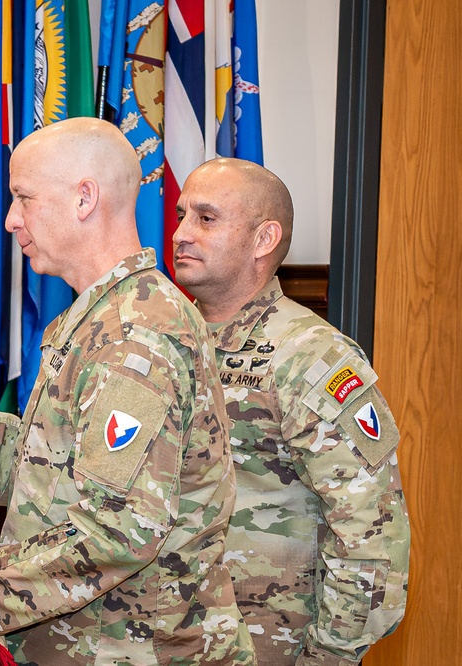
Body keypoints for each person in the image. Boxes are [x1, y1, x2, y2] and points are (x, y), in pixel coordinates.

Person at [0, 117, 255, 665]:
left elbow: (118, 532)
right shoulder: (98, 318)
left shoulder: (137, 334)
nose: (11, 220)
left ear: (85, 198)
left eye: (23, 198)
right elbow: (47, 472)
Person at [172, 158, 410, 665]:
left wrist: (328, 657)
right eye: (181, 215)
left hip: (267, 646)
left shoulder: (312, 355)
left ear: (264, 239)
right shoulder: (165, 341)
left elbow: (371, 531)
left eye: (206, 218)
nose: (181, 233)